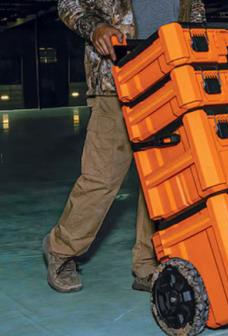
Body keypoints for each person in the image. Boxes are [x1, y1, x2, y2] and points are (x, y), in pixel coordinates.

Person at [43, 0, 206, 293]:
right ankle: (61, 249)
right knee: (102, 178)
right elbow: (68, 4)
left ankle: (149, 262)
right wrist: (96, 28)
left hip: (168, 82)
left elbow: (195, 15)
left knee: (160, 180)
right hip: (114, 83)